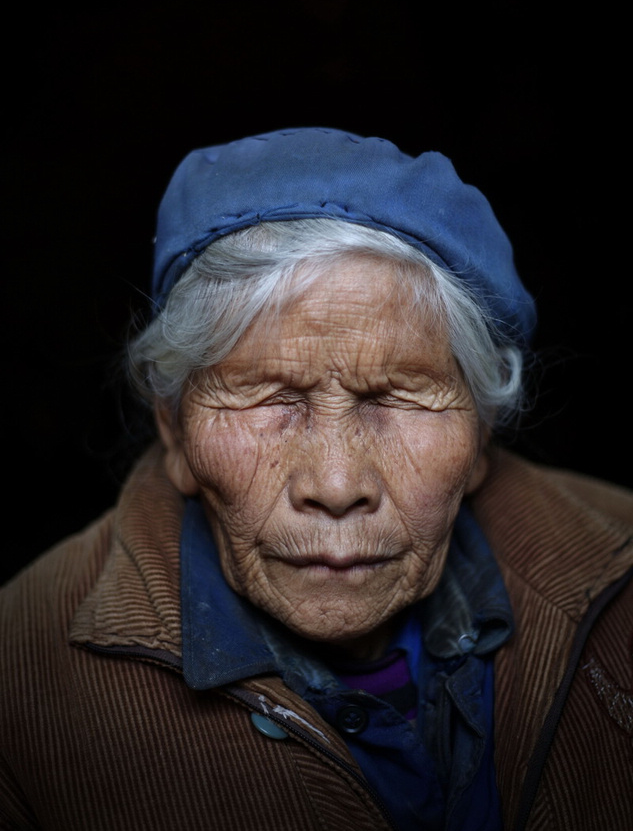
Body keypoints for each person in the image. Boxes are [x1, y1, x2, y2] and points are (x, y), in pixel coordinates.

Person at [1, 128, 631, 831]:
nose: (335, 485)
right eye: (269, 397)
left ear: (480, 434)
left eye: (395, 396)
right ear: (175, 434)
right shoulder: (19, 683)